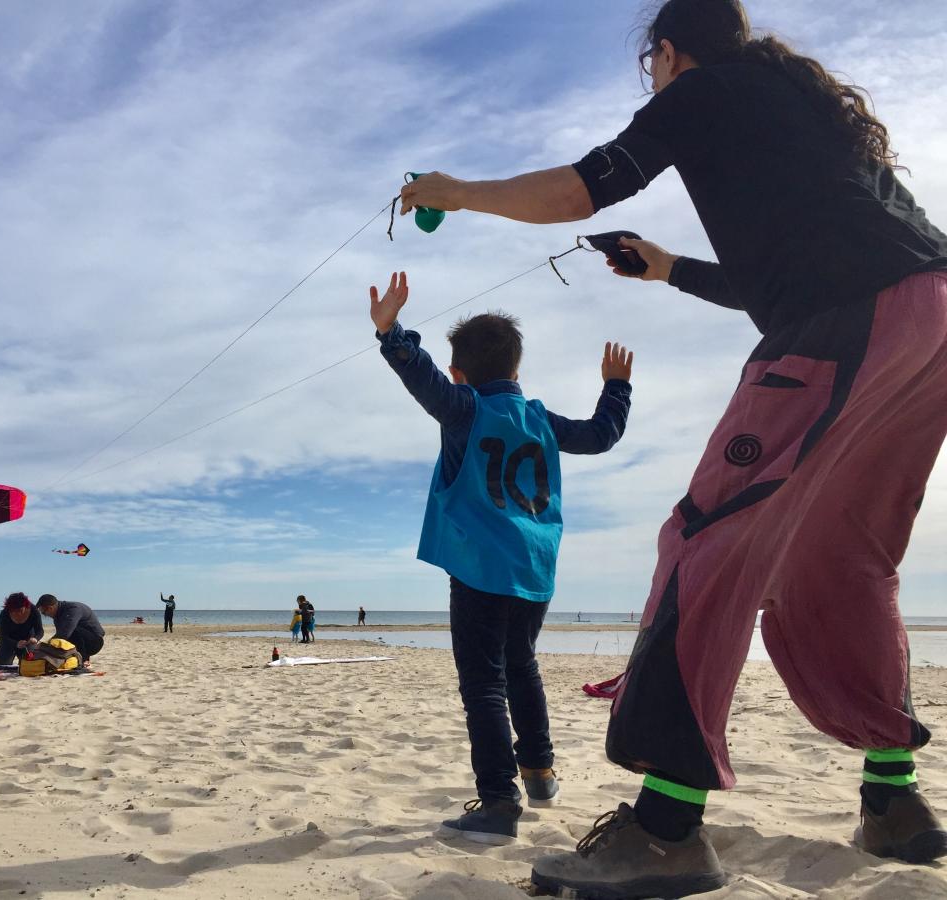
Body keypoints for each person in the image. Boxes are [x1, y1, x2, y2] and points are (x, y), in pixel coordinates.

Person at [400, 0, 947, 893]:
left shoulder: (705, 90)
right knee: (846, 559)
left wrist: (453, 191)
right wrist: (663, 267)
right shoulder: (798, 104)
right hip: (932, 323)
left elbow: (578, 188)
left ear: (667, 53)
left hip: (846, 323)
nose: (651, 77)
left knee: (706, 540)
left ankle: (664, 829)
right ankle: (895, 799)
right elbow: (783, 277)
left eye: (650, 64)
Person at [370, 271, 632, 846]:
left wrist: (391, 332)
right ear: (518, 372)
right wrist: (616, 386)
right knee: (522, 666)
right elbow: (601, 434)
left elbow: (425, 380)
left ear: (462, 374)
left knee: (485, 683)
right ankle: (539, 776)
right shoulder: (539, 418)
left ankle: (497, 802)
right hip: (535, 569)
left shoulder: (464, 408)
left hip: (481, 568)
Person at [36, 594, 105, 665]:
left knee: (72, 631)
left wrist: (44, 646)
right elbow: (60, 638)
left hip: (95, 642)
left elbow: (64, 634)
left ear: (50, 608)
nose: (45, 616)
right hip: (81, 640)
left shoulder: (73, 609)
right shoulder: (58, 615)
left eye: (44, 613)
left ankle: (84, 661)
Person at [0, 592, 44, 665]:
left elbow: (40, 630)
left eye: (20, 610)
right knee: (2, 667)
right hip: (8, 642)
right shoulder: (5, 613)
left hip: (28, 641)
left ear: (26, 606)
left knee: (28, 667)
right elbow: (3, 636)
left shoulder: (34, 611)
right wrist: (16, 643)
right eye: (14, 611)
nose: (18, 613)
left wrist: (36, 638)